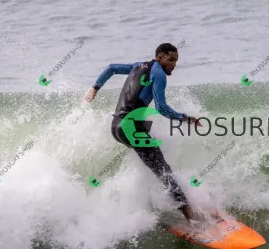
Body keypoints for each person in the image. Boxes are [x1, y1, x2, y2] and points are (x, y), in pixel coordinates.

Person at [83, 43, 203, 222]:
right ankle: (190, 216)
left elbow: (111, 68)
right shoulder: (159, 74)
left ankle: (146, 202)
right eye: (170, 60)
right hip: (130, 128)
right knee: (163, 169)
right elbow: (162, 108)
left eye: (176, 61)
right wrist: (185, 118)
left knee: (152, 156)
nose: (173, 65)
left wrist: (95, 87)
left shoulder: (138, 66)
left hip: (116, 127)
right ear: (160, 57)